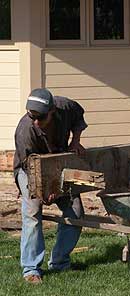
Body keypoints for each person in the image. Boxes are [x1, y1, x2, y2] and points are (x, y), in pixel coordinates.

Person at [13, 88, 88, 284]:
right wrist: (45, 190)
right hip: (29, 170)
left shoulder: (65, 106)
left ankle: (60, 262)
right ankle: (31, 269)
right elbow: (29, 167)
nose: (36, 122)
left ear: (53, 110)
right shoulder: (25, 130)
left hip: (58, 165)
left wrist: (76, 141)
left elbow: (78, 117)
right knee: (33, 212)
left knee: (75, 212)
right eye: (32, 116)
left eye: (41, 117)